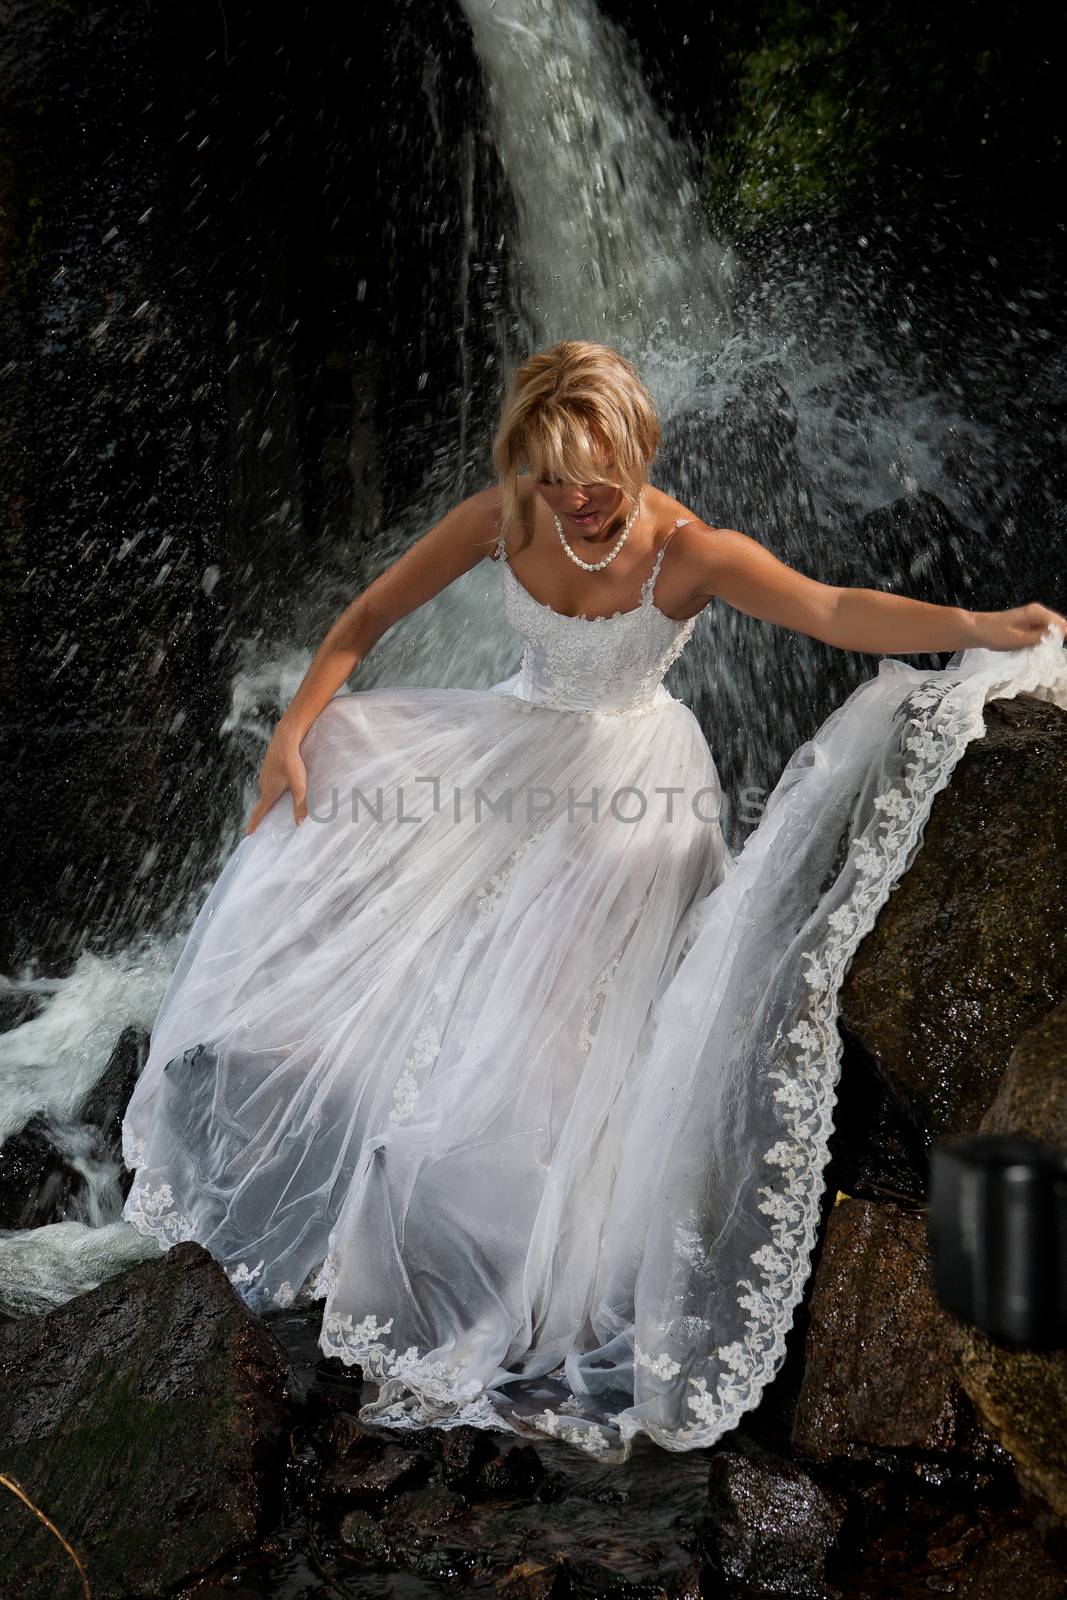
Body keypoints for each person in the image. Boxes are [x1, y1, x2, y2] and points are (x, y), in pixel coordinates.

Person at [121, 340, 1067, 1462]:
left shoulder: (687, 551)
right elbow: (363, 620)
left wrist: (976, 627)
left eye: (593, 477)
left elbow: (831, 609)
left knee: (567, 1024)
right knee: (358, 803)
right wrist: (289, 732)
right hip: (510, 753)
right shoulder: (506, 515)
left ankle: (546, 1236)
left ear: (632, 450)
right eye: (551, 475)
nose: (573, 500)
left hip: (635, 792)